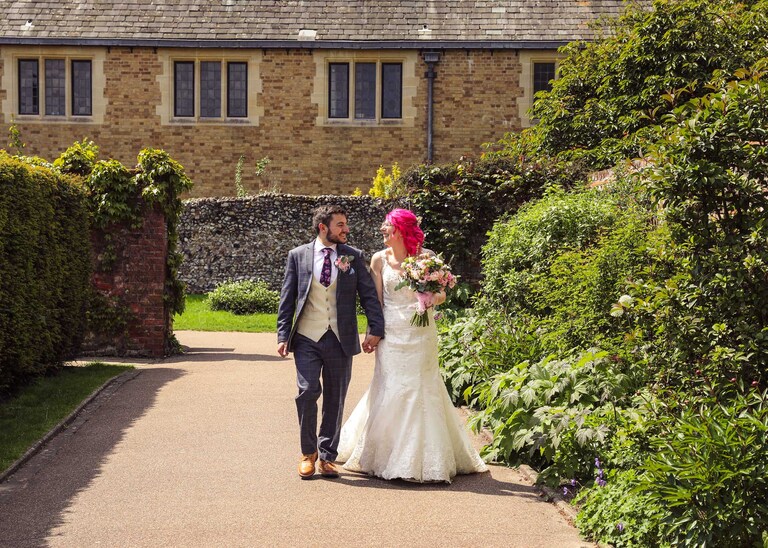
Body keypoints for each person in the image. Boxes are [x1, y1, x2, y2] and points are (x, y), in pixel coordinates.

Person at [337, 208, 488, 483]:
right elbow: (376, 303)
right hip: (392, 334)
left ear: (400, 230)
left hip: (421, 333)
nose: (382, 231)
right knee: (390, 386)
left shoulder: (427, 257)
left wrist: (432, 298)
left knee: (422, 387)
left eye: (387, 227)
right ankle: (384, 454)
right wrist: (374, 332)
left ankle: (424, 458)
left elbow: (442, 292)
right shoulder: (378, 260)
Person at [277, 204, 385, 480]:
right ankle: (307, 453)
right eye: (340, 225)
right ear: (323, 227)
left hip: (340, 337)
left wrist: (375, 327)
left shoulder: (352, 256)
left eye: (346, 224)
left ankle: (327, 456)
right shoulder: (297, 256)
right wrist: (282, 335)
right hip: (306, 337)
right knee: (307, 391)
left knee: (335, 398)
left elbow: (369, 296)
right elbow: (288, 298)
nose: (346, 229)